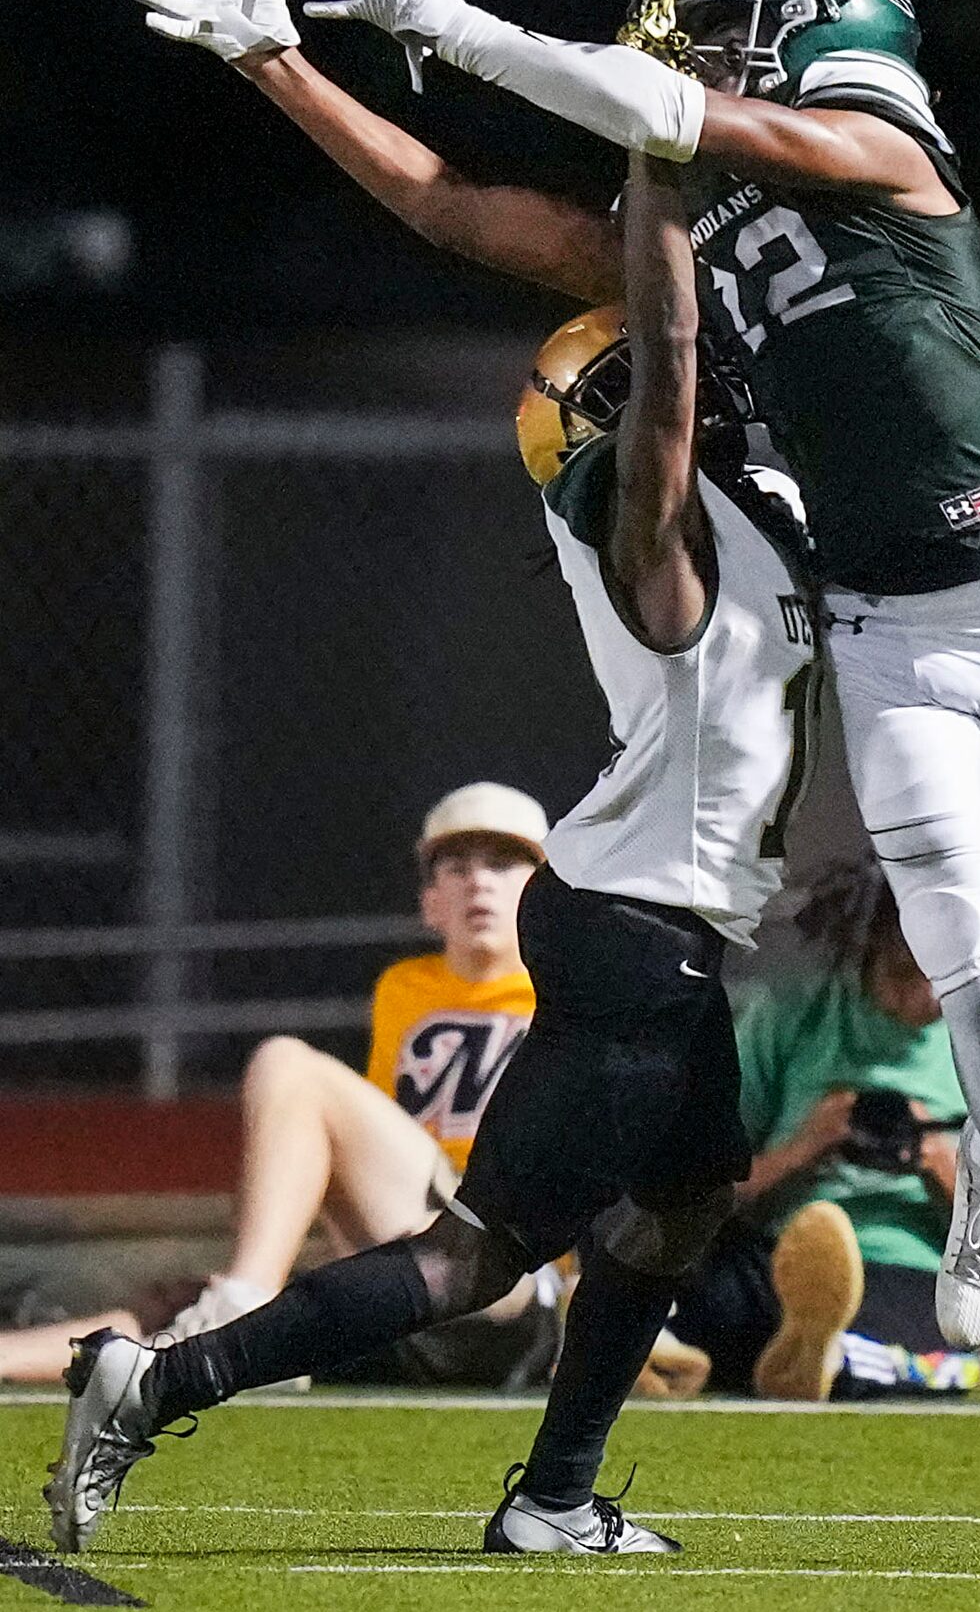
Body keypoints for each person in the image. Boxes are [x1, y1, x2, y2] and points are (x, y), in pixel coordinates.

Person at [121, 0, 980, 1468]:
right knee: (940, 988)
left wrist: (377, 45)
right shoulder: (659, 467)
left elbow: (588, 155)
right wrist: (330, 58)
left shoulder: (872, 151)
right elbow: (527, 244)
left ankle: (597, 1451)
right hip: (820, 711)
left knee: (964, 996)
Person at [45, 159, 819, 1557]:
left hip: (650, 925)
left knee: (690, 1190)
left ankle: (556, 1494)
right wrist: (657, 161)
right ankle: (155, 1381)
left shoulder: (708, 523)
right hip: (641, 932)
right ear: (626, 408)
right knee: (472, 1259)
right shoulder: (646, 523)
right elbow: (675, 366)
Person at [1, 784, 555, 1390]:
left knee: (288, 1064)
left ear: (549, 891)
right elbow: (363, 1163)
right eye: (457, 867)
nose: (479, 883)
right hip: (411, 1275)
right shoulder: (404, 988)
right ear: (430, 904)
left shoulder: (571, 991)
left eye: (504, 864)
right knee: (170, 1326)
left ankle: (243, 1303)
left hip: (504, 1271)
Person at [670, 858, 976, 1403]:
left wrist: (935, 1163)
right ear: (865, 951)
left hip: (905, 1266)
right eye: (904, 971)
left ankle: (811, 1355)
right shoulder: (787, 1017)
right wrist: (803, 1149)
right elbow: (696, 1189)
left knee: (942, 1353)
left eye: (946, 976)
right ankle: (808, 1354)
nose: (925, 997)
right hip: (775, 1252)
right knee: (696, 1277)